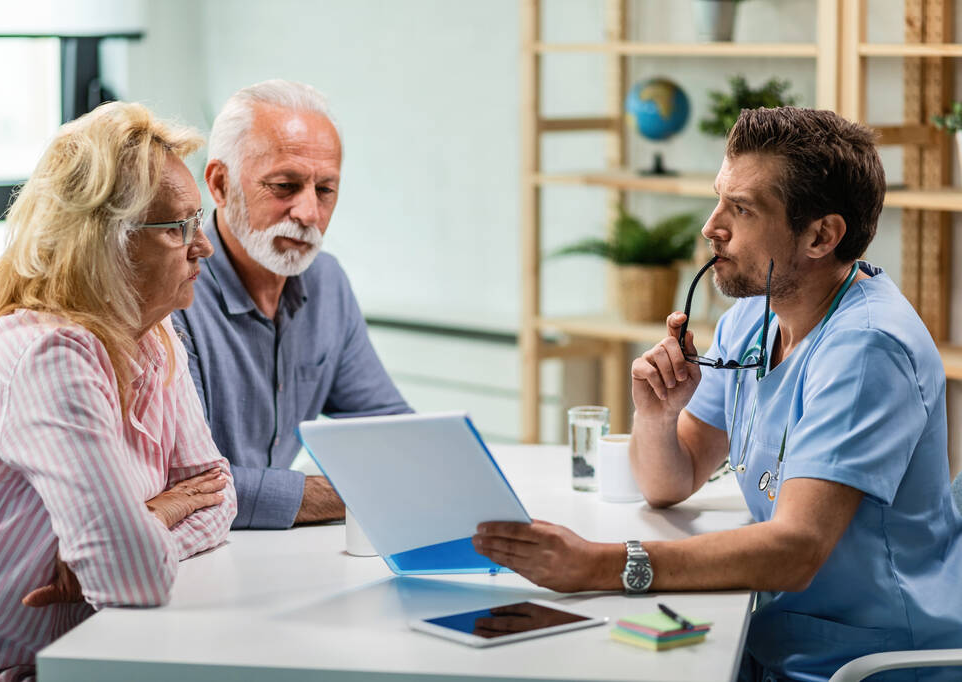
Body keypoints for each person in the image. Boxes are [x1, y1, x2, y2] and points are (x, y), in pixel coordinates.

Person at [473, 107, 962, 681]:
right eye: (719, 198)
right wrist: (657, 416)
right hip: (776, 637)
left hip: (861, 663)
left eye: (743, 208)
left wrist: (601, 565)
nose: (711, 226)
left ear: (820, 236)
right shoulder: (750, 317)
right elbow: (669, 482)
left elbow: (795, 550)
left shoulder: (866, 351)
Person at [0, 102, 238, 680]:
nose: (201, 246)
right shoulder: (52, 355)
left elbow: (219, 495)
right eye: (178, 228)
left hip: (66, 659)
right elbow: (135, 580)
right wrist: (160, 514)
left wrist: (137, 530)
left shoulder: (154, 335)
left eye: (197, 220)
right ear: (107, 242)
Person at [172, 79, 410, 530]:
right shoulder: (174, 293)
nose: (308, 213)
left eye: (325, 190)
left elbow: (392, 431)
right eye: (285, 186)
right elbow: (189, 486)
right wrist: (353, 493)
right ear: (220, 184)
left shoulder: (326, 282)